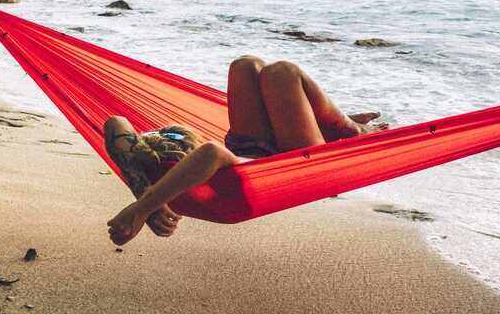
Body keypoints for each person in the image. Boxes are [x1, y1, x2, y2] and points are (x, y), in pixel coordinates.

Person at [104, 56, 386, 245]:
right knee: (283, 72)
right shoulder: (188, 170)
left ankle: (327, 126)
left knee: (245, 65)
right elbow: (212, 153)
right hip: (282, 167)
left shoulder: (137, 162)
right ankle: (351, 129)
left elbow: (115, 122)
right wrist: (141, 210)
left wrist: (143, 197)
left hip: (245, 145)